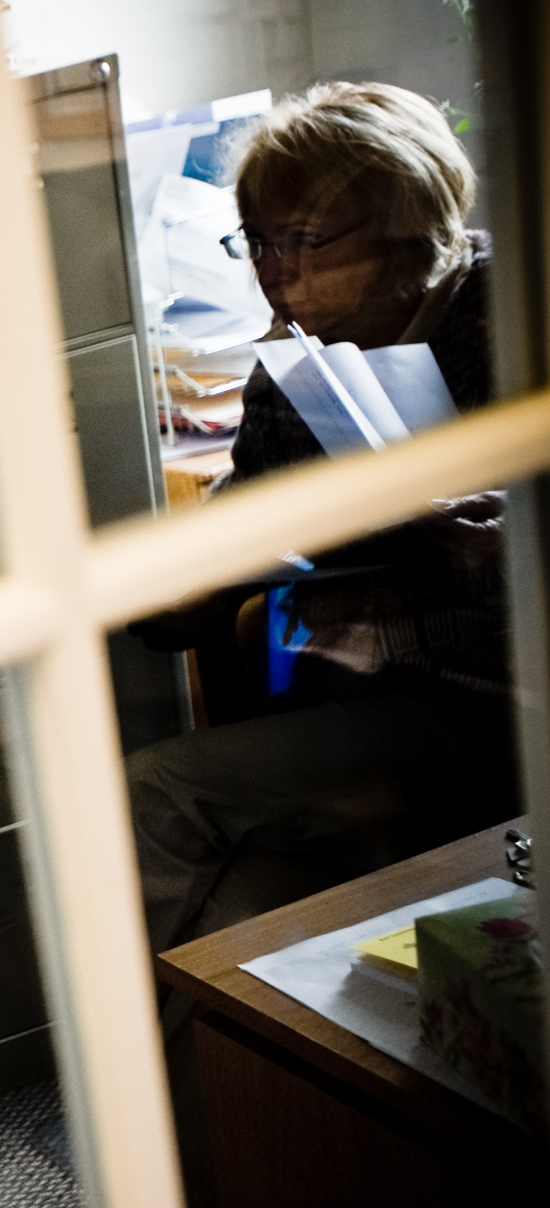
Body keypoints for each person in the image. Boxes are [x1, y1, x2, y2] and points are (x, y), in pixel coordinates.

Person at [128, 82, 517, 971]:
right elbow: (239, 529)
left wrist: (508, 539)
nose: (274, 269)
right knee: (246, 899)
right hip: (380, 700)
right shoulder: (289, 364)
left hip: (502, 701)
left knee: (152, 795)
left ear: (405, 223)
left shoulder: (513, 316)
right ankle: (237, 1107)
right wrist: (185, 586)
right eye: (257, 240)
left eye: (304, 239)